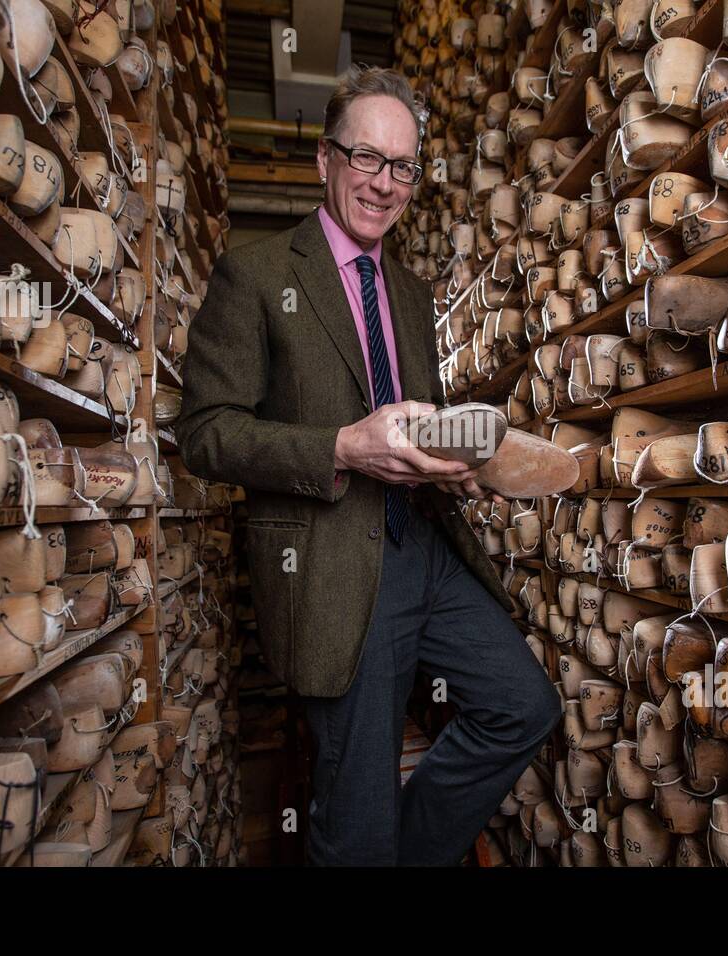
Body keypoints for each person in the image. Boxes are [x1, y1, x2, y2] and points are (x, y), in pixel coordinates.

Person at [179, 65, 560, 866]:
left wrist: (450, 462)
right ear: (325, 160)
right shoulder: (258, 275)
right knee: (354, 819)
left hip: (425, 548)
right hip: (334, 569)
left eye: (403, 166)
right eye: (367, 158)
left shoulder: (415, 295)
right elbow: (206, 433)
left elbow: (409, 421)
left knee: (522, 707)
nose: (385, 185)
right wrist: (342, 447)